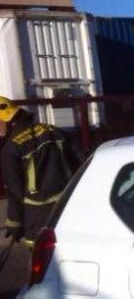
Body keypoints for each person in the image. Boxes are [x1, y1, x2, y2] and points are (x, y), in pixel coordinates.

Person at [0, 96, 77, 245]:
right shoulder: (55, 131)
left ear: (6, 121)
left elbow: (15, 192)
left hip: (39, 219)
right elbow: (81, 163)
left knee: (44, 263)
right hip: (70, 207)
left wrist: (14, 224)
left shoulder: (10, 149)